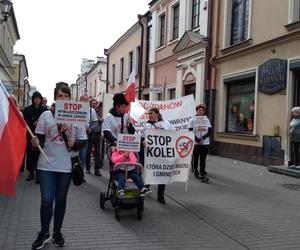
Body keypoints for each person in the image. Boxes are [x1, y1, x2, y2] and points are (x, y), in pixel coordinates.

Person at [31, 83, 87, 249]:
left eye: (66, 96)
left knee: (60, 200)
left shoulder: (77, 115)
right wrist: (34, 142)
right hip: (46, 165)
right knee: (47, 200)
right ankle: (43, 232)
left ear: (70, 98)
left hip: (66, 167)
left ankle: (57, 232)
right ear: (55, 98)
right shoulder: (46, 116)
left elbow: (82, 141)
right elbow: (39, 139)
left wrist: (74, 142)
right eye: (60, 96)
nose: (63, 99)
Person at [140, 108, 174, 204]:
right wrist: (143, 142)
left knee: (162, 174)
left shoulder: (166, 124)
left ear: (157, 115)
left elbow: (174, 136)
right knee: (149, 171)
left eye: (151, 113)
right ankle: (146, 188)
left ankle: (161, 195)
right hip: (151, 154)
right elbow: (142, 138)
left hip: (163, 154)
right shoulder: (146, 125)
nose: (149, 115)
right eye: (149, 114)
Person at [23, 91, 47, 182]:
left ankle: (38, 174)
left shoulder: (45, 110)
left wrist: (39, 123)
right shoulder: (27, 109)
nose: (37, 100)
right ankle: (31, 173)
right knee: (30, 155)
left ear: (41, 99)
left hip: (40, 136)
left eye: (39, 98)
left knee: (39, 155)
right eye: (35, 98)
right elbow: (24, 122)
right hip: (30, 135)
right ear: (33, 99)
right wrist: (32, 123)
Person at [189, 104, 211, 182]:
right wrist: (198, 140)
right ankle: (196, 173)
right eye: (199, 110)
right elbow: (190, 131)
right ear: (196, 111)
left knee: (203, 159)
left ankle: (202, 173)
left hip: (205, 143)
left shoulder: (206, 119)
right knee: (195, 159)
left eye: (201, 110)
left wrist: (203, 138)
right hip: (196, 143)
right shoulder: (192, 119)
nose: (200, 112)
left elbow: (209, 131)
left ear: (203, 111)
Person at [86, 98, 102, 176]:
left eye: (95, 103)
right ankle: (88, 168)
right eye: (92, 103)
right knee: (88, 151)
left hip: (98, 133)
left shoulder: (100, 111)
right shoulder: (88, 111)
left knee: (97, 152)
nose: (94, 105)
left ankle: (97, 169)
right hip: (89, 133)